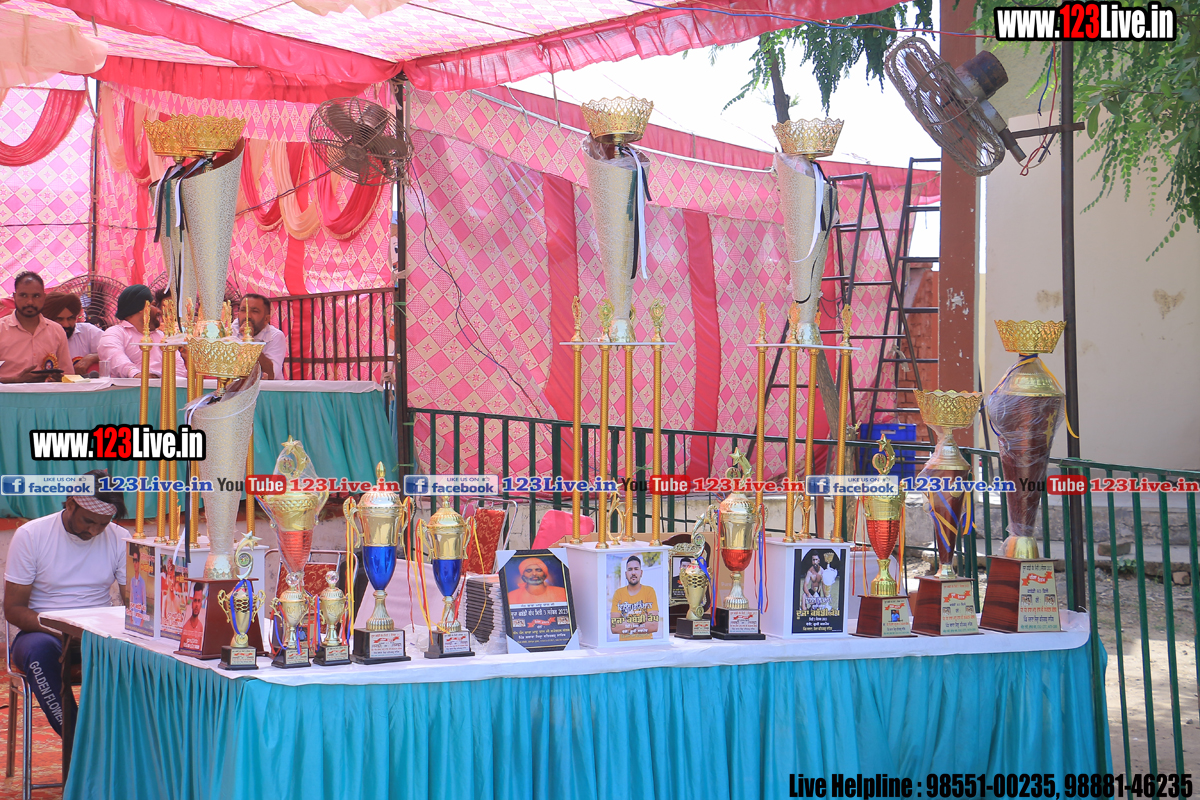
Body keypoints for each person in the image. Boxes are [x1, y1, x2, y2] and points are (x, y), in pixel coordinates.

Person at [3, 470, 127, 735]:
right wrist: (63, 630)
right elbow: (13, 609)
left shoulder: (119, 537)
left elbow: (135, 605)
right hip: (44, 633)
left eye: (103, 524)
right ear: (71, 504)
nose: (94, 531)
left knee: (144, 655)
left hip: (100, 634)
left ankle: (125, 742)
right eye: (88, 521)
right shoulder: (31, 535)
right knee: (39, 652)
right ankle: (80, 742)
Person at [96, 284, 186, 379]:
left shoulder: (160, 335)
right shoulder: (115, 333)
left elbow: (178, 367)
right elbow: (114, 357)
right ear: (141, 308)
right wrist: (135, 374)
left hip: (165, 386)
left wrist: (170, 382)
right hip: (132, 387)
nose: (159, 311)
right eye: (153, 305)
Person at [0, 272, 74, 384]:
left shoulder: (57, 331)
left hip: (48, 395)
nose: (30, 302)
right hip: (8, 395)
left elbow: (68, 376)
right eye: (23, 295)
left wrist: (59, 379)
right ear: (14, 297)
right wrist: (15, 380)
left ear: (44, 297)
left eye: (36, 296)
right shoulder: (1, 329)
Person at [41, 292, 103, 376]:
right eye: (60, 319)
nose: (66, 324)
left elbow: (113, 353)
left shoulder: (88, 331)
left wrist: (92, 357)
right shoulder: (38, 337)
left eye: (70, 318)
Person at [610, 555, 659, 641]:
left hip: (646, 644)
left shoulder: (649, 591)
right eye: (630, 569)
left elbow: (653, 626)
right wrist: (640, 620)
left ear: (641, 573)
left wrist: (627, 627)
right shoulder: (619, 594)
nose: (633, 573)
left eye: (636, 569)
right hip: (625, 645)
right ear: (626, 574)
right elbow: (615, 627)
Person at [239, 293, 286, 380]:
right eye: (243, 310)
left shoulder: (275, 336)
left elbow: (270, 375)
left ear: (266, 319)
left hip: (267, 388)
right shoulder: (230, 331)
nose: (247, 316)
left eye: (254, 311)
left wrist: (249, 341)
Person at [180, 584, 205, 649]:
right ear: (192, 603)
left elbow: (199, 650)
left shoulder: (200, 627)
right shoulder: (185, 627)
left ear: (201, 604)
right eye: (195, 600)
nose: (196, 605)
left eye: (199, 601)